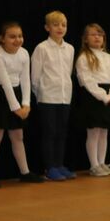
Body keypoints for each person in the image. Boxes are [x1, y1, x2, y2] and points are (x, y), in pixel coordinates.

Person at [0, 22, 44, 188]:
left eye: (19, 36)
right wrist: (16, 108)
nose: (17, 40)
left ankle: (25, 172)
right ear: (2, 39)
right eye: (12, 36)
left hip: (17, 95)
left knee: (18, 136)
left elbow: (25, 79)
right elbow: (5, 83)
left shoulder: (24, 53)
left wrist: (26, 103)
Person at [30, 10, 76, 181]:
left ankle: (59, 164)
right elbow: (35, 76)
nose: (60, 28)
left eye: (63, 25)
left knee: (61, 132)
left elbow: (68, 72)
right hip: (47, 97)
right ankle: (49, 167)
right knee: (49, 132)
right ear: (47, 27)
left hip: (65, 97)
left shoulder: (69, 48)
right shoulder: (42, 48)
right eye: (56, 25)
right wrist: (39, 93)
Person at [76, 23, 110, 177]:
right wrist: (104, 96)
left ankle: (102, 162)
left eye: (100, 34)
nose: (97, 37)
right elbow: (88, 81)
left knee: (104, 132)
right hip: (93, 97)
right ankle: (93, 165)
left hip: (109, 97)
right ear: (85, 39)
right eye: (93, 34)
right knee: (94, 132)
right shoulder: (83, 58)